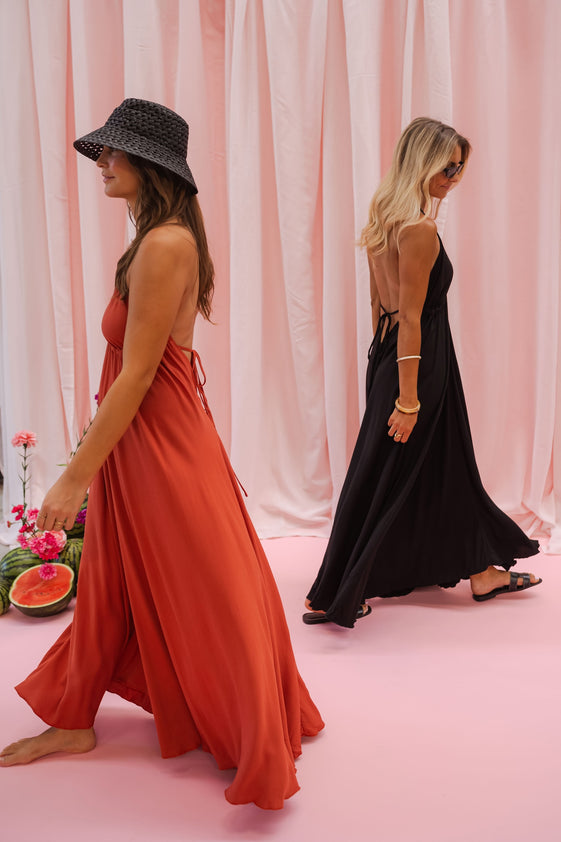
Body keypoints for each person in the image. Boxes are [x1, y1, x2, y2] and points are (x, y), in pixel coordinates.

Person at [0, 98, 324, 808]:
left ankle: (253, 730)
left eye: (113, 152)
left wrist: (73, 479)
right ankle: (73, 718)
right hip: (142, 438)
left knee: (209, 583)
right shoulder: (155, 239)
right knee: (112, 579)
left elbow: (140, 373)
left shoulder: (164, 244)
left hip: (159, 440)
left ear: (150, 164)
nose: (102, 164)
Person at [304, 116, 541, 628]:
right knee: (385, 472)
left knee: (440, 464)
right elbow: (411, 317)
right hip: (421, 362)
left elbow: (381, 308)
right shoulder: (419, 229)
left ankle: (481, 571)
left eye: (459, 169)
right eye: (447, 168)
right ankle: (337, 590)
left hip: (395, 355)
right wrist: (407, 398)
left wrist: (381, 369)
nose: (454, 179)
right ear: (422, 162)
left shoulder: (383, 219)